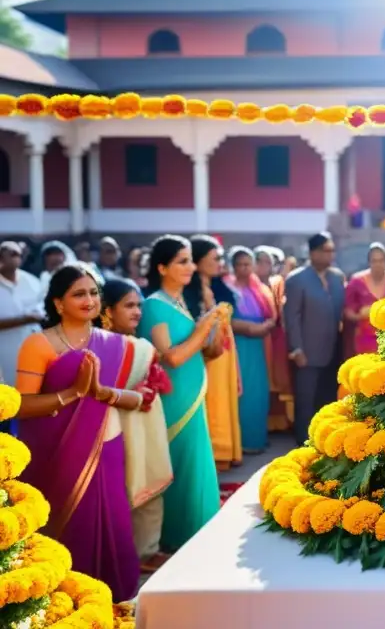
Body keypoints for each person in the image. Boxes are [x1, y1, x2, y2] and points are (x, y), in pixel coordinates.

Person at [14, 265, 146, 601]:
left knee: (112, 521)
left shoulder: (116, 343)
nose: (88, 300)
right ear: (58, 303)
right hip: (54, 453)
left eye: (93, 293)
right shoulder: (38, 344)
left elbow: (139, 400)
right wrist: (73, 393)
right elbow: (22, 405)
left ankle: (111, 598)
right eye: (78, 293)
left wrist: (103, 393)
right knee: (65, 524)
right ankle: (58, 598)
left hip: (107, 446)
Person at [137, 235, 224, 552]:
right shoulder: (153, 306)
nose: (190, 266)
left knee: (196, 462)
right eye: (182, 261)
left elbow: (204, 351)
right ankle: (178, 538)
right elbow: (170, 356)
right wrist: (202, 329)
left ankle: (199, 533)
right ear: (162, 267)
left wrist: (217, 328)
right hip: (173, 400)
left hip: (192, 395)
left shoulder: (180, 303)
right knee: (179, 463)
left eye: (190, 260)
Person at [100, 278, 174, 573]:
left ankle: (148, 549)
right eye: (129, 306)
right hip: (118, 423)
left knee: (151, 478)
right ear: (107, 311)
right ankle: (124, 552)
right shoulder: (101, 346)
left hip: (147, 422)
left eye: (139, 306)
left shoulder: (142, 345)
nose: (137, 312)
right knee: (124, 484)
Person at [183, 236, 242, 471]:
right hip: (208, 358)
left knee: (222, 402)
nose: (220, 262)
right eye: (214, 258)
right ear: (197, 262)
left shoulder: (214, 288)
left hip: (223, 356)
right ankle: (213, 456)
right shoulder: (191, 294)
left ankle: (223, 455)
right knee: (212, 405)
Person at [285, 233, 346, 444]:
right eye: (326, 250)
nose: (331, 255)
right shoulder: (296, 279)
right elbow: (291, 318)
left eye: (332, 250)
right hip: (306, 353)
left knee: (328, 400)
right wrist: (296, 349)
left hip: (333, 350)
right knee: (305, 402)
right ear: (313, 253)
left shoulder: (337, 277)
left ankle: (325, 442)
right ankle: (303, 444)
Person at [225, 247, 276, 453]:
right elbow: (224, 318)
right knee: (241, 391)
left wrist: (266, 326)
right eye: (240, 264)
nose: (244, 268)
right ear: (234, 267)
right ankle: (241, 442)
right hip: (238, 346)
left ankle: (257, 439)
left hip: (259, 346)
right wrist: (248, 328)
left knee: (259, 392)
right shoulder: (228, 289)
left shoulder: (261, 289)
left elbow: (272, 315)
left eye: (248, 264)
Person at [255, 246, 292, 433]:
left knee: (276, 378)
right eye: (259, 261)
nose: (264, 266)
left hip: (274, 338)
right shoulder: (245, 287)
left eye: (268, 262)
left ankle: (278, 421)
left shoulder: (276, 283)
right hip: (252, 340)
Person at [344, 243, 385, 356]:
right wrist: (360, 316)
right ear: (369, 262)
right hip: (364, 340)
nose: (378, 264)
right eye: (374, 261)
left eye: (381, 261)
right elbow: (347, 311)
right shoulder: (357, 281)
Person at [0, 242, 44, 388]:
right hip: (4, 353)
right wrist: (24, 320)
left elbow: (43, 312)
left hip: (32, 353)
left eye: (14, 254)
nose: (5, 258)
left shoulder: (32, 282)